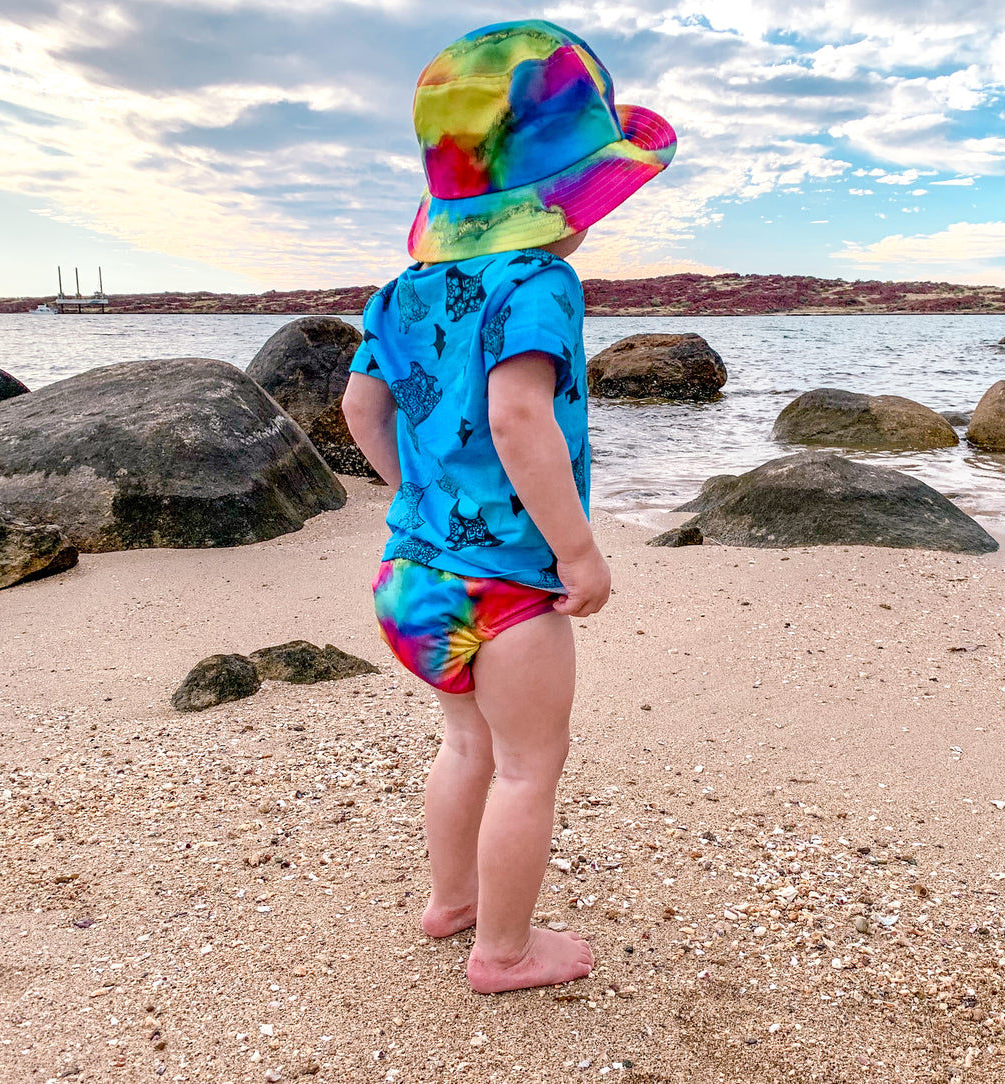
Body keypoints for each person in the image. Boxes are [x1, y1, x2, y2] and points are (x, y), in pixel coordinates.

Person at [340, 20, 676, 993]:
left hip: (410, 577)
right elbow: (518, 415)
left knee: (465, 745)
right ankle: (503, 951)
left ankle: (452, 902)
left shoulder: (399, 293)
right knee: (528, 769)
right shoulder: (538, 281)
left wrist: (412, 492)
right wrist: (578, 552)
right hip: (506, 590)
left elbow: (360, 407)